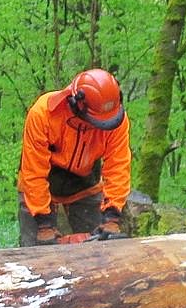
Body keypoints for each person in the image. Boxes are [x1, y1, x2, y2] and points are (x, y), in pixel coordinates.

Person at [17, 68, 131, 245]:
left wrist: (112, 216)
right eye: (96, 122)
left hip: (85, 184)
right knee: (34, 252)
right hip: (41, 186)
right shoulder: (43, 114)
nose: (99, 127)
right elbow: (34, 172)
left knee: (102, 249)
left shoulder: (115, 120)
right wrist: (44, 223)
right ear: (77, 104)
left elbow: (118, 167)